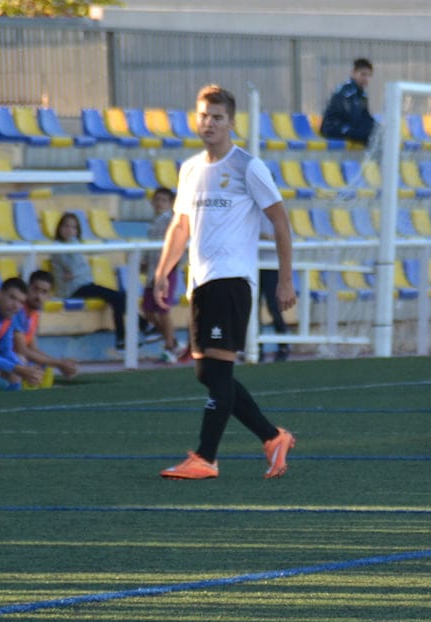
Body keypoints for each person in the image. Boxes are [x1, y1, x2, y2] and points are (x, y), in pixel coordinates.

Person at [155, 84, 297, 481]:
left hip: (231, 282)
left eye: (217, 117)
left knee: (216, 374)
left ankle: (206, 457)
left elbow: (280, 222)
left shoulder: (248, 166)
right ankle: (272, 438)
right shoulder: (190, 169)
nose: (209, 123)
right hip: (201, 284)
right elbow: (180, 226)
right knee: (207, 374)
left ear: (232, 123)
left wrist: (285, 280)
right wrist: (163, 271)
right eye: (204, 115)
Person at [50, 211, 147, 351]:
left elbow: (81, 271)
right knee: (119, 296)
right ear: (59, 228)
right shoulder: (58, 246)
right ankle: (138, 327)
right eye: (66, 226)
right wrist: (79, 270)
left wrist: (78, 272)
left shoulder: (74, 245)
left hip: (83, 284)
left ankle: (125, 335)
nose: (69, 230)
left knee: (119, 297)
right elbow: (72, 266)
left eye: (73, 227)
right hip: (72, 289)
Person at [142, 187, 187, 364]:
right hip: (153, 272)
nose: (159, 203)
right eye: (157, 199)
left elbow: (180, 242)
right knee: (148, 310)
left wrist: (171, 265)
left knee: (162, 310)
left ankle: (169, 348)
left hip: (166, 272)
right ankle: (174, 343)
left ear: (170, 204)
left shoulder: (171, 220)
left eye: (163, 200)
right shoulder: (153, 223)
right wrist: (144, 262)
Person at [13, 270, 79, 387]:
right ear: (27, 288)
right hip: (5, 357)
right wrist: (59, 364)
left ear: (49, 296)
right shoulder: (18, 311)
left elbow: (33, 348)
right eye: (35, 289)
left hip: (15, 357)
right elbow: (22, 350)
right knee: (21, 360)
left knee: (46, 369)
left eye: (44, 292)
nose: (39, 296)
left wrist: (60, 363)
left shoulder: (33, 315)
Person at [0, 277, 44, 391]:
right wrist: (20, 369)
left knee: (18, 364)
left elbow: (5, 351)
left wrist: (26, 369)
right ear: (0, 294)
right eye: (12, 298)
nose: (16, 306)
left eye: (21, 302)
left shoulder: (9, 316)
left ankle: (12, 404)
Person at [319, 58, 376, 146]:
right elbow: (353, 116)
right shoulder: (346, 92)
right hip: (334, 127)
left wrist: (375, 126)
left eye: (368, 76)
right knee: (367, 134)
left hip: (348, 125)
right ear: (353, 73)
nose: (366, 79)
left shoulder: (361, 94)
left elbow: (365, 116)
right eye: (363, 74)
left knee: (378, 132)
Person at [258, 216, 290, 362]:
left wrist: (268, 238)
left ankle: (283, 345)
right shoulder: (248, 211)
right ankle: (256, 347)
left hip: (271, 266)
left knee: (274, 306)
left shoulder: (277, 212)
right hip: (251, 265)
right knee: (252, 308)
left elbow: (288, 238)